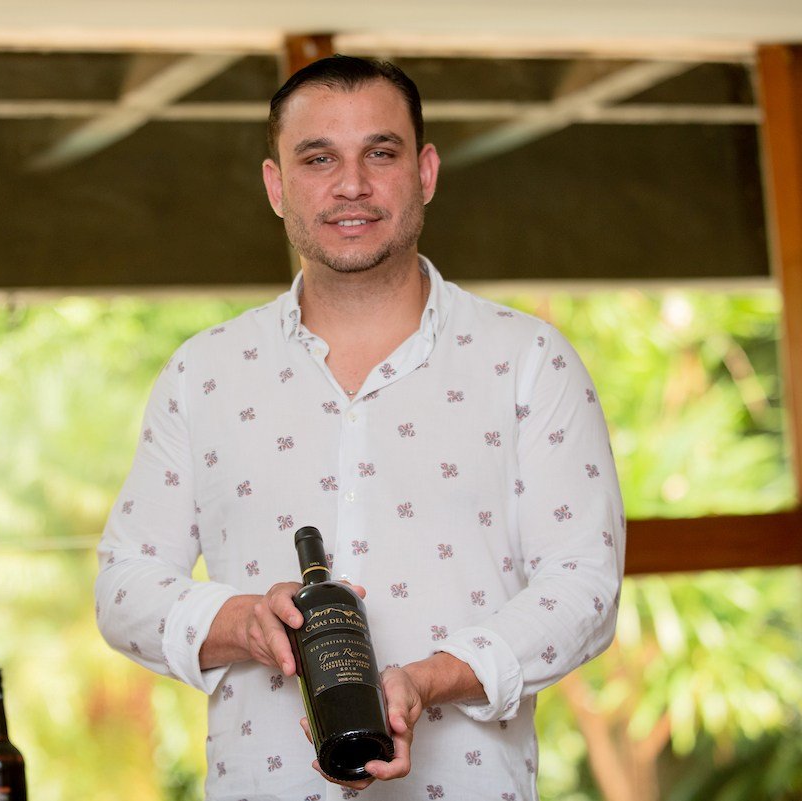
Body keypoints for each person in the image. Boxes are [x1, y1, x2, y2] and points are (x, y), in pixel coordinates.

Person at [95, 55, 625, 801]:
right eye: (318, 158)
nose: (352, 185)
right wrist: (243, 620)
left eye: (381, 152)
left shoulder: (529, 361)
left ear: (426, 171)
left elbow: (584, 586)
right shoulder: (204, 373)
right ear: (277, 186)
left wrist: (432, 678)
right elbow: (123, 586)